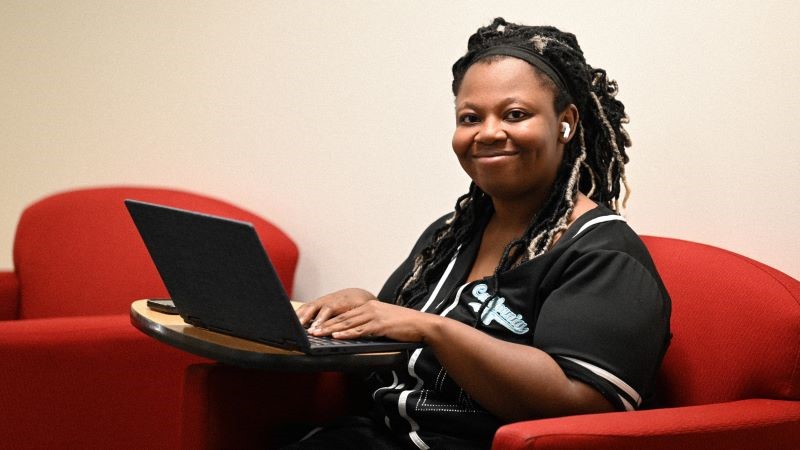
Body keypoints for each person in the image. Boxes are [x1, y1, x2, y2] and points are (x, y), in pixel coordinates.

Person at [287, 17, 671, 450]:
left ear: (565, 122)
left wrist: (434, 330)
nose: (488, 133)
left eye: (515, 114)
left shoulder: (604, 254)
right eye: (470, 117)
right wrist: (364, 305)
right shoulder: (454, 232)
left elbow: (583, 408)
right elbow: (404, 334)